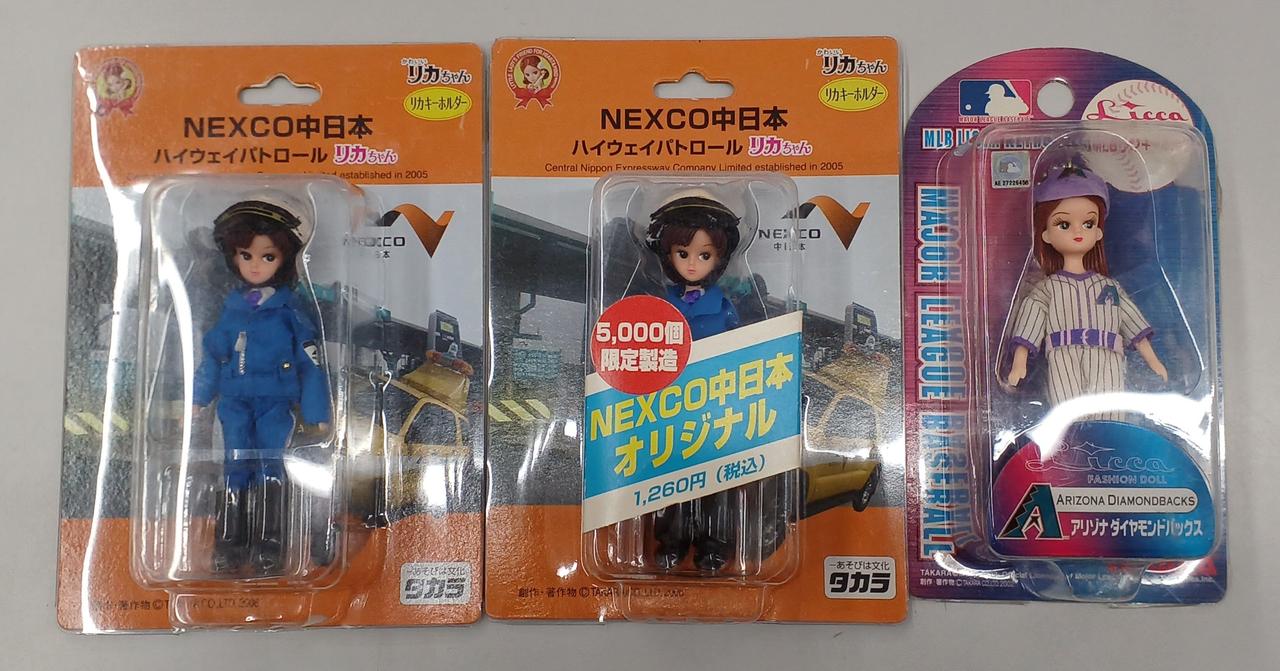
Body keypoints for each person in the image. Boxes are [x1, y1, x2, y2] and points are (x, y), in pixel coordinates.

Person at [193, 200, 331, 575]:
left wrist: (317, 413)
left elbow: (311, 365)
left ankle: (270, 542)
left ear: (283, 260)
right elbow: (212, 356)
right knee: (234, 462)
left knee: (273, 464)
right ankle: (228, 542)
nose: (255, 265)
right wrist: (200, 397)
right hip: (234, 402)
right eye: (246, 255)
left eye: (267, 257)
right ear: (233, 257)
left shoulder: (291, 315)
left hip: (275, 403)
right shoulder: (230, 312)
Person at [1006, 164, 1167, 419]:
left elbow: (1130, 321)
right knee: (1068, 416)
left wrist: (1153, 361)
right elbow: (1030, 321)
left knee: (1110, 415)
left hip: (1107, 355)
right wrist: (1019, 362)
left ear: (1098, 231)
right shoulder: (1047, 288)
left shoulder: (1108, 286)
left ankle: (1109, 443)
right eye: (1064, 224)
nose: (1078, 231)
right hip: (1063, 355)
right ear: (1046, 235)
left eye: (1088, 223)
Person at [644, 192, 742, 571]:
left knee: (717, 482)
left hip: (716, 404)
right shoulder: (660, 304)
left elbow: (740, 349)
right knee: (670, 478)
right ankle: (672, 540)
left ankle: (713, 545)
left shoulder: (723, 308)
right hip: (671, 404)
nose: (691, 263)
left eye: (704, 255)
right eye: (682, 253)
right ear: (667, 254)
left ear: (719, 259)